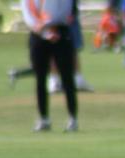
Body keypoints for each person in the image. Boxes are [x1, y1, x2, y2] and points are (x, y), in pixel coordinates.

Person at [20, 0, 79, 132]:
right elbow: (27, 12)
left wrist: (54, 27)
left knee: (67, 78)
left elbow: (69, 10)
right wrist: (41, 28)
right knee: (40, 78)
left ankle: (72, 118)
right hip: (38, 35)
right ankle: (44, 119)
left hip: (60, 33)